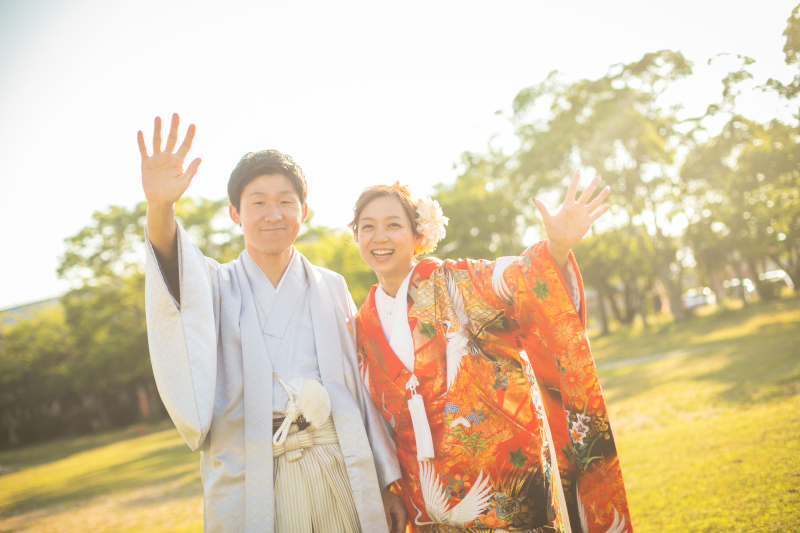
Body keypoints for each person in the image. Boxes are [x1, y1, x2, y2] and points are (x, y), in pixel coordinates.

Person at [137, 114, 406, 533]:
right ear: (234, 213)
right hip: (255, 469)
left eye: (285, 200)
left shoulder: (330, 286)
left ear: (304, 210)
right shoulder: (215, 284)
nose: (272, 213)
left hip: (338, 460)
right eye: (257, 202)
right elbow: (174, 275)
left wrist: (388, 481)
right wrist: (161, 206)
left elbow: (362, 384)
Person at [349, 178, 632, 533]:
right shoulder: (362, 324)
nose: (380, 237)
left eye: (393, 225)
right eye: (368, 227)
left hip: (505, 484)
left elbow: (516, 279)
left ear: (418, 235)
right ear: (356, 236)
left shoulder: (457, 282)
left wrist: (556, 248)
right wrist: (388, 486)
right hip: (429, 501)